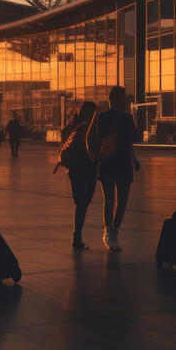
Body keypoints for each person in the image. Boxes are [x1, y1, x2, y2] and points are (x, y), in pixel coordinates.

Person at [91, 86, 139, 252]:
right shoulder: (127, 118)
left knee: (109, 199)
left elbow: (97, 138)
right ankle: (114, 230)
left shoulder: (102, 117)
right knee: (122, 200)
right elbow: (135, 137)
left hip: (108, 161)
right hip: (122, 162)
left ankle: (109, 230)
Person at [60, 101, 97, 250]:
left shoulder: (74, 125)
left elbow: (64, 137)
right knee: (83, 202)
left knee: (81, 202)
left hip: (74, 169)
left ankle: (77, 236)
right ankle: (77, 237)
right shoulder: (88, 126)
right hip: (86, 168)